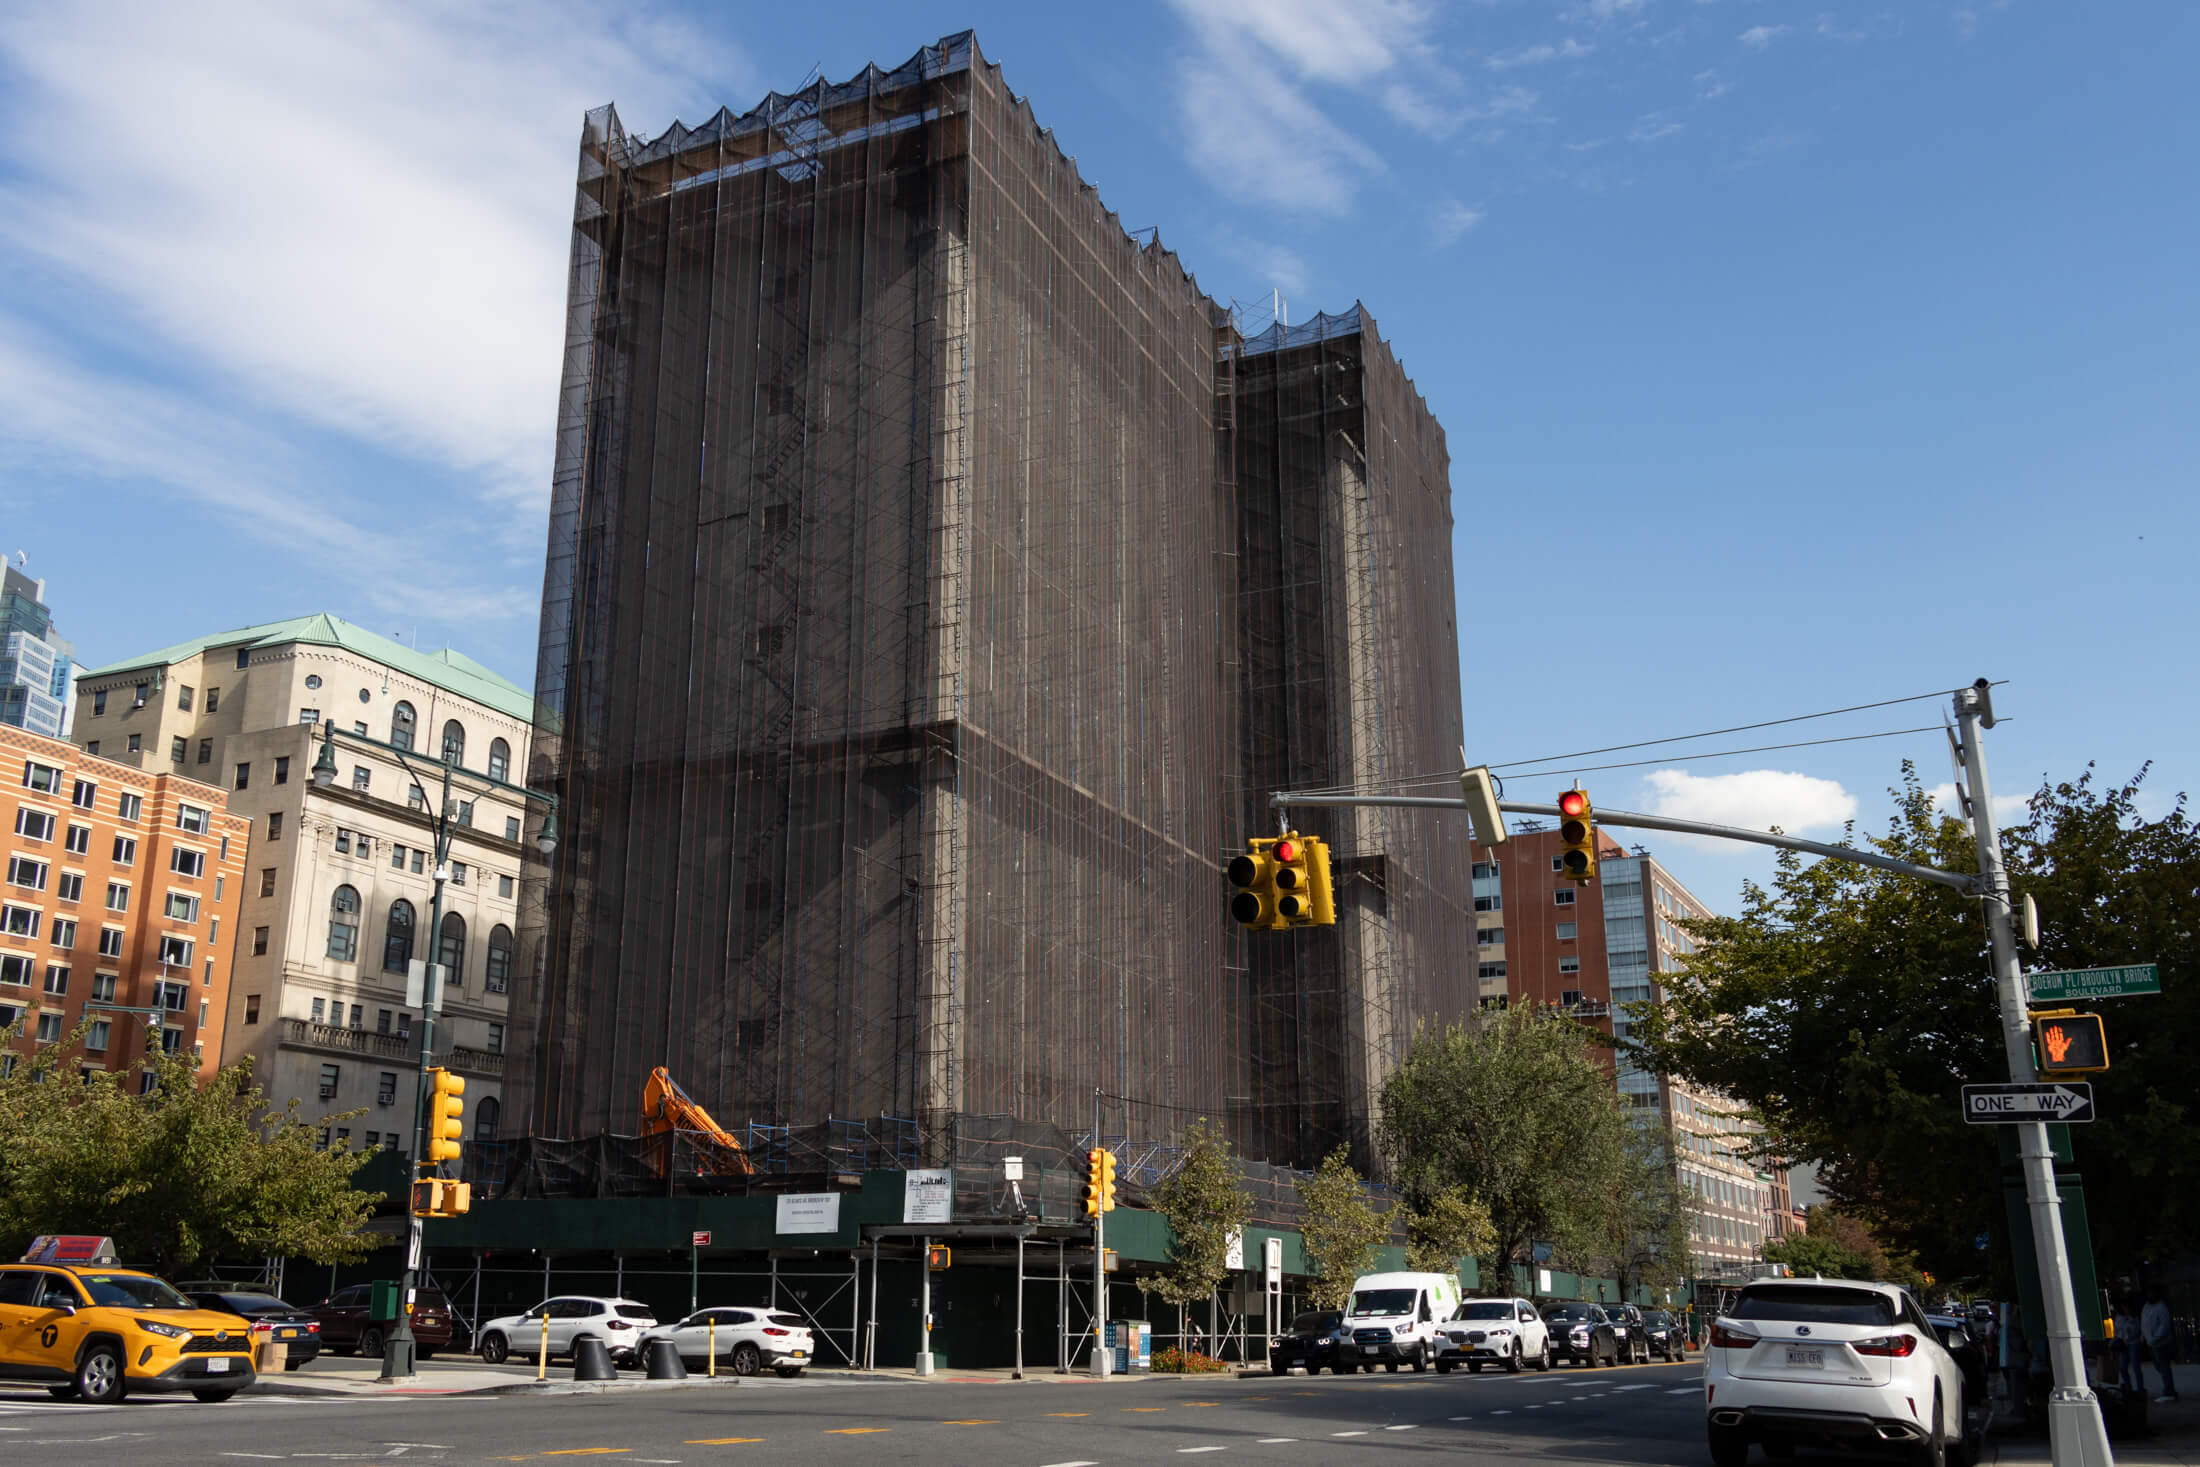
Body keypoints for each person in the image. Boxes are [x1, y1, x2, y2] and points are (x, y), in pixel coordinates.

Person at [2141, 1284, 2179, 1403]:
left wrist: (2154, 1338)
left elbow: (2164, 1326)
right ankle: (2169, 1388)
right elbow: (2144, 1322)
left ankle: (2169, 1390)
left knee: (2163, 1366)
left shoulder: (2161, 1308)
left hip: (2160, 1342)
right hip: (2151, 1341)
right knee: (2159, 1366)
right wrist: (2145, 1336)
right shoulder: (2147, 1307)